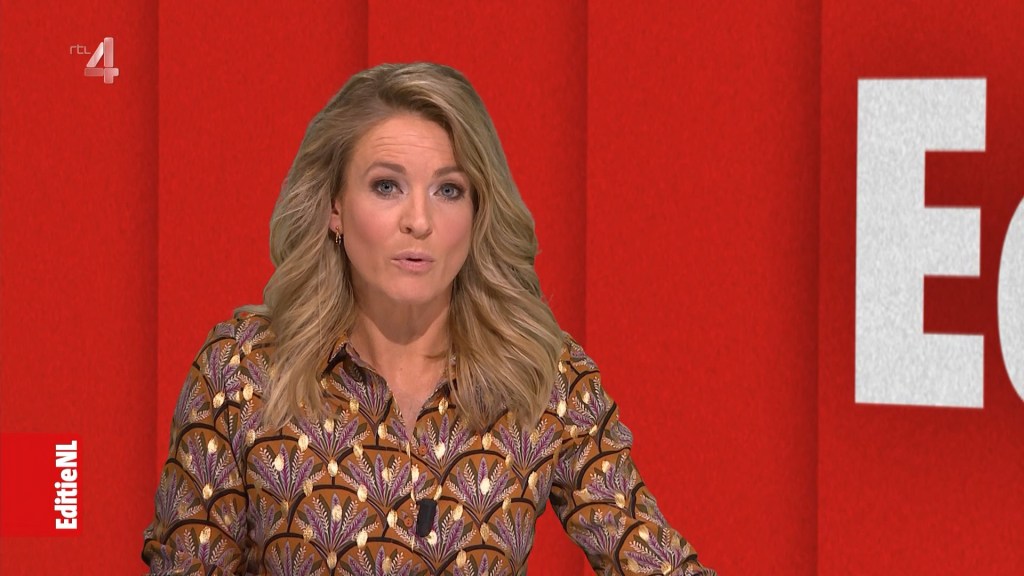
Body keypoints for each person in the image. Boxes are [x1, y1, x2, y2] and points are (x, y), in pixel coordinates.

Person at [142, 62, 715, 576]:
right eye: (386, 186)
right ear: (334, 207)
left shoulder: (544, 374)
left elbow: (651, 557)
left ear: (478, 211)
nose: (419, 220)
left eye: (448, 190)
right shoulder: (242, 371)